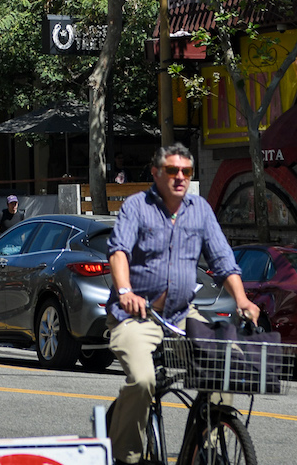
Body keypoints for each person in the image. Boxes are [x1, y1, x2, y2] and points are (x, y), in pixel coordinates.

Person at [105, 144, 260, 465]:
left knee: (223, 368)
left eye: (186, 172)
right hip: (136, 315)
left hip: (180, 314)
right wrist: (124, 291)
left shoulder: (200, 210)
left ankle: (206, 448)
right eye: (173, 171)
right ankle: (125, 457)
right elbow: (118, 250)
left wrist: (242, 299)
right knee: (144, 380)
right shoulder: (136, 206)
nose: (180, 177)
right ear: (156, 172)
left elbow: (223, 260)